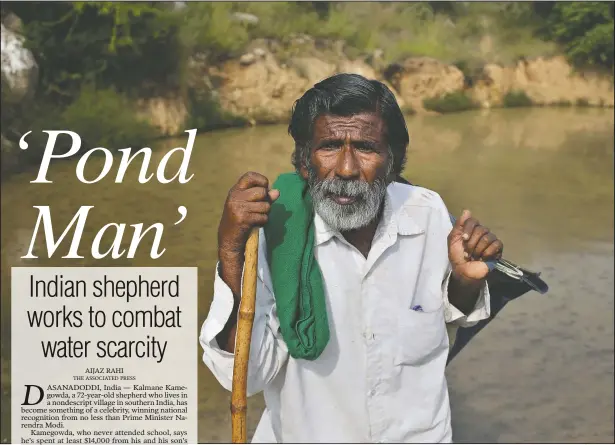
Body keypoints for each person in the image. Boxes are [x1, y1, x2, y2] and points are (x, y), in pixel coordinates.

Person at [199, 73, 504, 443]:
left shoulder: (427, 214)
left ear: (393, 160)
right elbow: (243, 379)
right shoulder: (274, 232)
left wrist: (466, 280)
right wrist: (230, 249)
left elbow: (451, 315)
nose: (346, 168)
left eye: (365, 147)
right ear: (303, 161)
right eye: (328, 146)